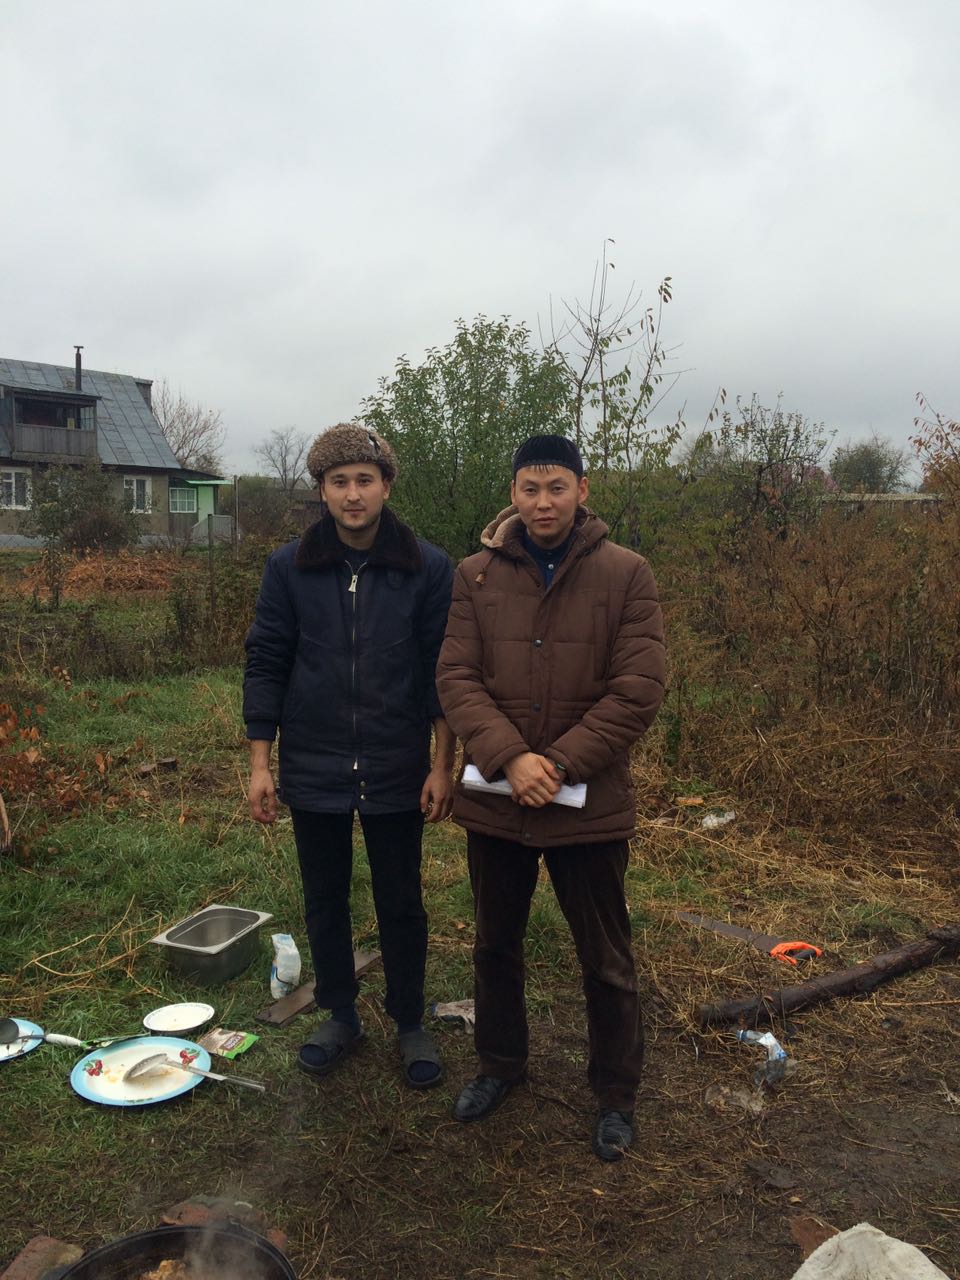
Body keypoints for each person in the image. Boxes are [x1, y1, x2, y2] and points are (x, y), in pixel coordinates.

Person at [436, 434, 665, 1159]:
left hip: (587, 808)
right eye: (529, 489)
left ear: (582, 491)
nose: (542, 502)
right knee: (494, 945)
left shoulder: (627, 575)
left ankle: (615, 1095)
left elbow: (638, 691)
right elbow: (456, 679)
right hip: (498, 804)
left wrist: (558, 763)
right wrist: (510, 758)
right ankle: (501, 1065)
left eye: (556, 487)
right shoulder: (473, 577)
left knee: (605, 956)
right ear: (513, 493)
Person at [244, 423, 455, 1089]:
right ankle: (339, 1012)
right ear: (322, 491)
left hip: (397, 763)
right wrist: (259, 763)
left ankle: (409, 1019)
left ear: (386, 486)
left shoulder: (427, 567)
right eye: (340, 482)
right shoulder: (289, 569)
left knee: (401, 899)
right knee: (323, 898)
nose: (353, 493)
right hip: (314, 762)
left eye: (365, 480)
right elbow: (267, 661)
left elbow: (442, 675)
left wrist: (441, 764)